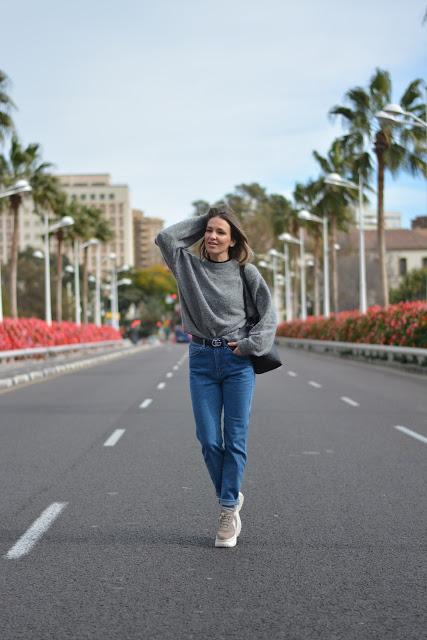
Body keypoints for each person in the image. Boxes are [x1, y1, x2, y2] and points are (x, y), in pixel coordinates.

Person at [154, 204, 277, 548]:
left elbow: (269, 316)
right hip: (202, 359)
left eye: (221, 232)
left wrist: (250, 346)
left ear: (233, 239)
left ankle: (226, 510)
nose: (212, 236)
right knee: (209, 440)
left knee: (234, 439)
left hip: (237, 360)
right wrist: (211, 215)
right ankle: (232, 495)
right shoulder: (187, 267)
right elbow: (165, 237)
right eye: (209, 231)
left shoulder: (245, 272)